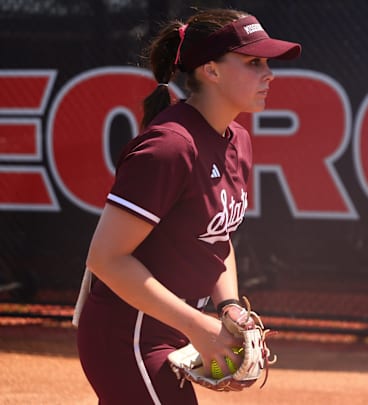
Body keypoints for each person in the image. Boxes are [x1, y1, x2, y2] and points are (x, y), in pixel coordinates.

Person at [74, 8, 300, 404]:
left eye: (267, 62)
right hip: (128, 333)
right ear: (210, 71)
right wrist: (200, 327)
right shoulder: (170, 147)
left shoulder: (237, 139)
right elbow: (106, 259)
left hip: (172, 325)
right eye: (253, 62)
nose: (269, 74)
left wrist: (229, 309)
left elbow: (217, 237)